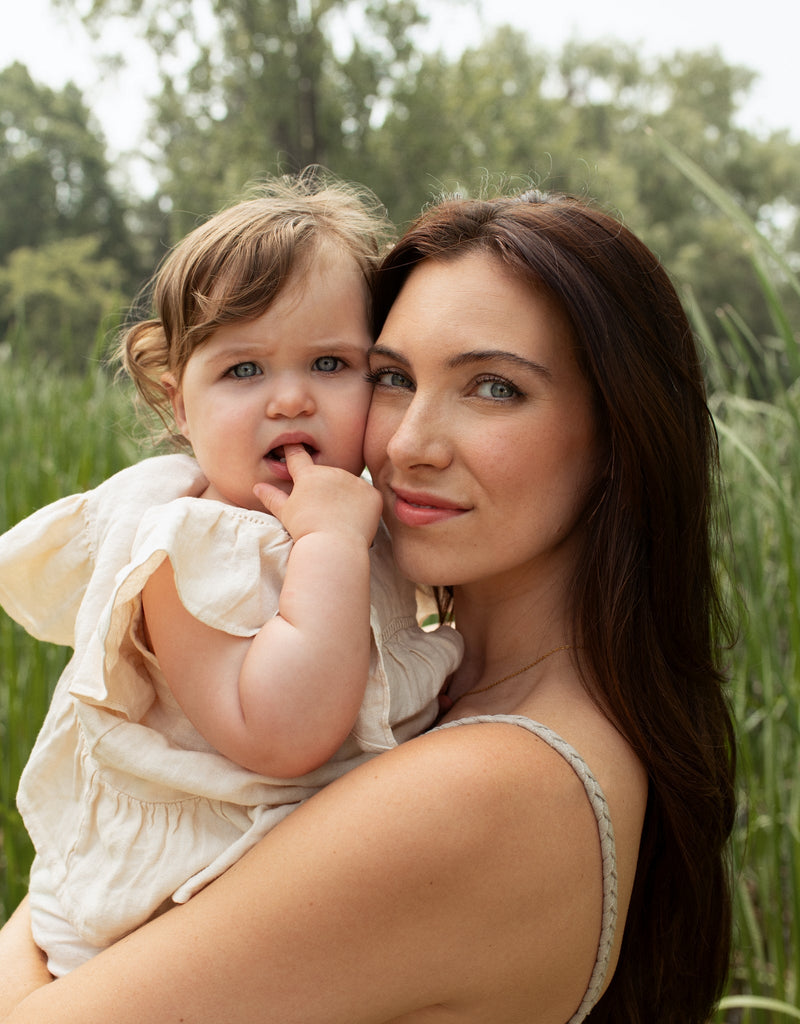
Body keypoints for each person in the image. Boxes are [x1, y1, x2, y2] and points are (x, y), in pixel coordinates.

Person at [0, 189, 736, 1024]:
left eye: (493, 388)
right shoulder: (427, 677)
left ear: (620, 438)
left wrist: (46, 913)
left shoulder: (497, 788)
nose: (410, 444)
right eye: (391, 378)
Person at [0, 175, 462, 978]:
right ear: (180, 403)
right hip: (165, 908)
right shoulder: (183, 550)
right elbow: (282, 732)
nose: (290, 400)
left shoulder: (357, 516)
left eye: (329, 362)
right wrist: (328, 545)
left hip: (288, 882)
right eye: (243, 371)